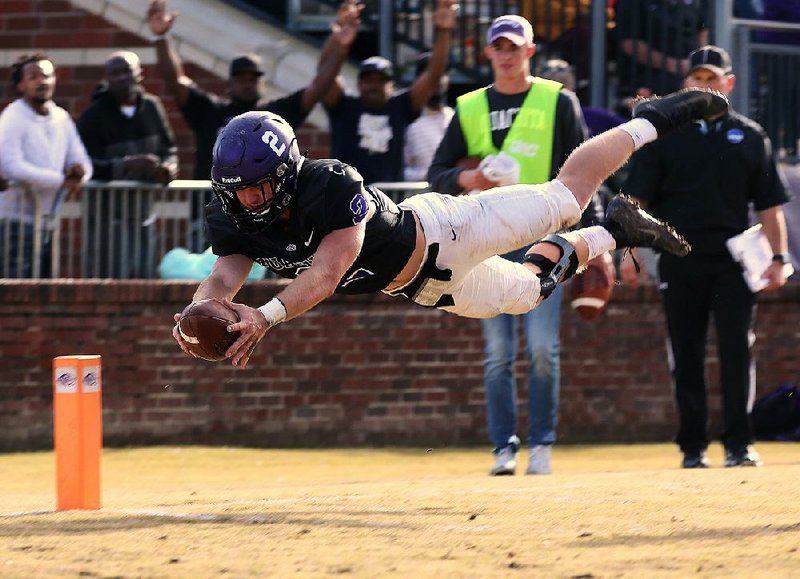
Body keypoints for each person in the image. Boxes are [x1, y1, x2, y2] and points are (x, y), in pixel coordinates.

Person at [171, 87, 729, 375]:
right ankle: (614, 230)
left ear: (287, 172)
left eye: (257, 187)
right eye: (237, 188)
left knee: (566, 197)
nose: (247, 199)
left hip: (445, 229)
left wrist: (265, 316)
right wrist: (201, 316)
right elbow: (223, 274)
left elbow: (329, 269)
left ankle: (655, 118)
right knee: (529, 293)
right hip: (427, 287)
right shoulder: (233, 212)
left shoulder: (328, 183)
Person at [426, 15, 597, 477]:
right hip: (485, 241)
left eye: (513, 46)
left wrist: (586, 239)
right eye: (498, 46)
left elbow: (585, 173)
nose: (506, 53)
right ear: (488, 53)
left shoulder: (558, 102)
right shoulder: (468, 107)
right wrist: (470, 178)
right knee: (498, 354)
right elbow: (438, 173)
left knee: (543, 349)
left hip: (543, 238)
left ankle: (541, 443)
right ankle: (504, 448)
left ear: (530, 51)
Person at [620, 46, 791, 469]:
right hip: (678, 255)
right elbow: (636, 198)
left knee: (737, 349)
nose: (704, 86)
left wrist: (780, 257)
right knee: (687, 352)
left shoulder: (750, 136)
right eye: (697, 79)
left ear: (728, 83)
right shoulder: (665, 135)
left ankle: (739, 443)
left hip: (734, 259)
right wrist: (628, 251)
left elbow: (769, 204)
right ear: (686, 85)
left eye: (712, 79)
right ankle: (693, 446)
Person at [146, 0, 362, 179]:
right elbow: (175, 81)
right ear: (229, 85)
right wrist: (160, 37)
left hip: (262, 217)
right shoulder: (211, 112)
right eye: (241, 79)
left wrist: (340, 47)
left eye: (253, 78)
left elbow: (319, 86)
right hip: (214, 214)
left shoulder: (275, 115)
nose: (247, 83)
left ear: (262, 83)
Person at [322, 0, 456, 184]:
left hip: (387, 203)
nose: (374, 85)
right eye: (368, 80)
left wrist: (443, 30)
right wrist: (338, 43)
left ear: (392, 85)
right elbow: (324, 77)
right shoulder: (343, 106)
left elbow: (433, 76)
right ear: (359, 84)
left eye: (381, 80)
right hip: (344, 202)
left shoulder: (400, 107)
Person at [77, 50, 178, 278]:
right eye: (115, 73)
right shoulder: (93, 115)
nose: (122, 77)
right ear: (107, 78)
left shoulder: (152, 107)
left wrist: (167, 167)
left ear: (139, 74)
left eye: (127, 71)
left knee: (142, 278)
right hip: (106, 220)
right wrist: (127, 164)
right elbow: (86, 163)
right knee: (108, 280)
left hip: (142, 213)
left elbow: (168, 149)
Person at [0, 53, 92, 278]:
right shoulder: (13, 116)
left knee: (44, 291)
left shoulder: (61, 117)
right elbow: (9, 165)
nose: (42, 81)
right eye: (33, 76)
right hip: (14, 221)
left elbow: (83, 162)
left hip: (48, 222)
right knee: (15, 293)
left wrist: (79, 175)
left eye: (47, 75)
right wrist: (61, 181)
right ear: (20, 85)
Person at [615, 0, 708, 98]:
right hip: (648, 82)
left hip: (689, 79)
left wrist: (699, 62)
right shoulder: (632, 3)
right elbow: (629, 44)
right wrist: (675, 65)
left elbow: (701, 30)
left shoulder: (693, 3)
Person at [402, 52, 454, 182]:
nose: (438, 80)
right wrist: (428, 175)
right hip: (419, 198)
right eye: (431, 76)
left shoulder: (454, 117)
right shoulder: (408, 122)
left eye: (442, 74)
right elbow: (399, 172)